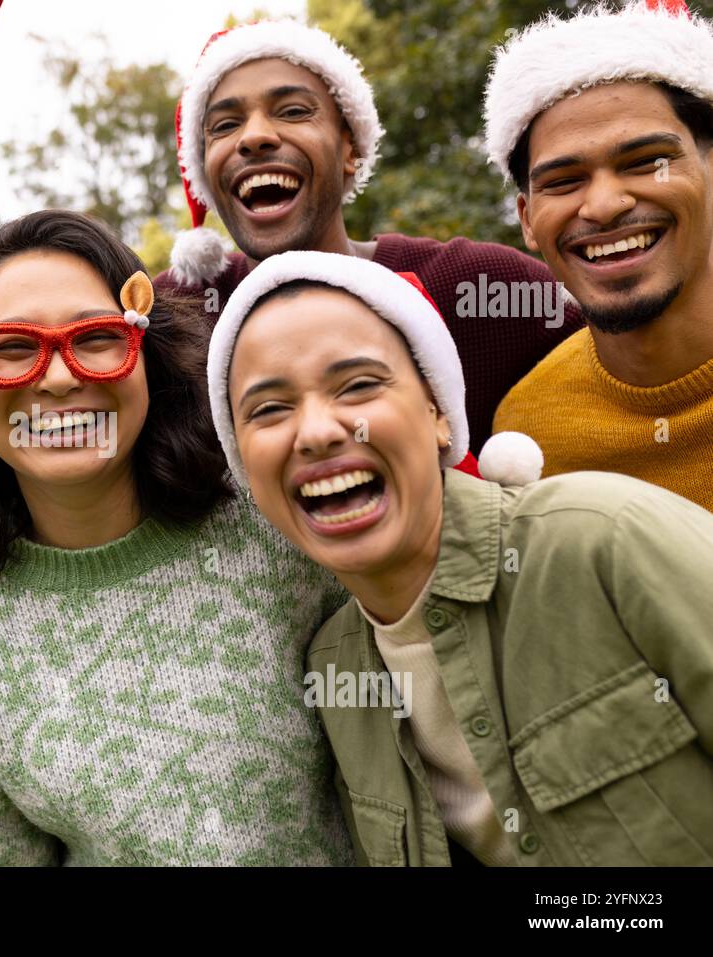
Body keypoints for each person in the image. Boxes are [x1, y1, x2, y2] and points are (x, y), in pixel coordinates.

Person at [208, 249, 713, 866]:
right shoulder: (338, 671)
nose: (316, 432)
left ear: (441, 414)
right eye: (269, 409)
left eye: (359, 385)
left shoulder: (603, 539)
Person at [0, 209, 353, 866]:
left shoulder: (277, 527)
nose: (57, 377)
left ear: (147, 351)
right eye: (13, 348)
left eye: (97, 337)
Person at [157, 15, 584, 451]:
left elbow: (629, 350)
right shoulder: (174, 314)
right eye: (224, 125)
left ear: (351, 149)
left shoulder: (480, 289)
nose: (255, 137)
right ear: (204, 175)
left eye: (293, 111)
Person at [485, 0, 713, 509]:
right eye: (564, 181)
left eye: (646, 163)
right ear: (526, 219)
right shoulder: (527, 431)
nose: (605, 206)